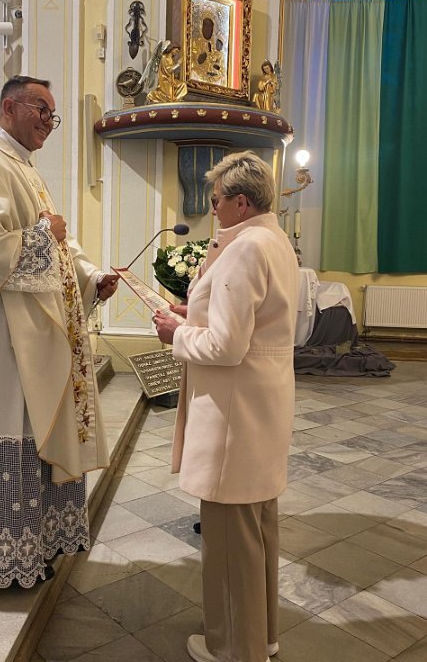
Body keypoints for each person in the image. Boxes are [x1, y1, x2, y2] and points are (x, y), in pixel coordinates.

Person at [0, 75, 118, 592]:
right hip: (2, 338)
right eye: (41, 110)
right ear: (9, 107)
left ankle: (28, 549)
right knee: (6, 425)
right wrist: (44, 234)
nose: (49, 122)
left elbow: (60, 246)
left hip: (33, 336)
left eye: (53, 115)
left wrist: (92, 277)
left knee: (35, 434)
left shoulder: (22, 167)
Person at [154, 151, 299, 662]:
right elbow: (257, 323)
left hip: (234, 412)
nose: (212, 208)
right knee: (256, 530)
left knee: (229, 537)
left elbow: (226, 346)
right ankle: (261, 636)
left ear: (241, 202)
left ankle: (235, 649)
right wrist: (192, 313)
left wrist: (176, 334)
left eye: (216, 200)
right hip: (262, 402)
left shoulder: (245, 249)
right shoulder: (274, 241)